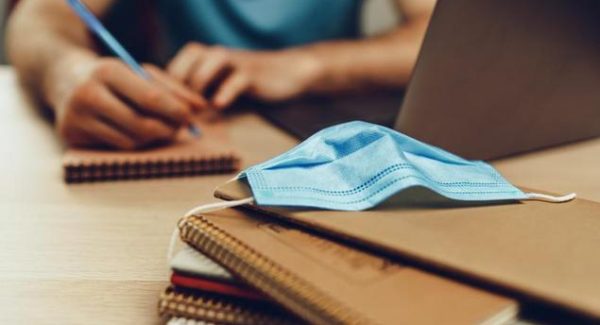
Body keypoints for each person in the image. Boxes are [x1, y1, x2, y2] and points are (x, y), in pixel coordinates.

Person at [6, 0, 435, 150]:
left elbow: (433, 33)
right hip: (185, 130)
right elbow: (39, 14)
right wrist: (66, 72)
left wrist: (309, 65)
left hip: (329, 136)